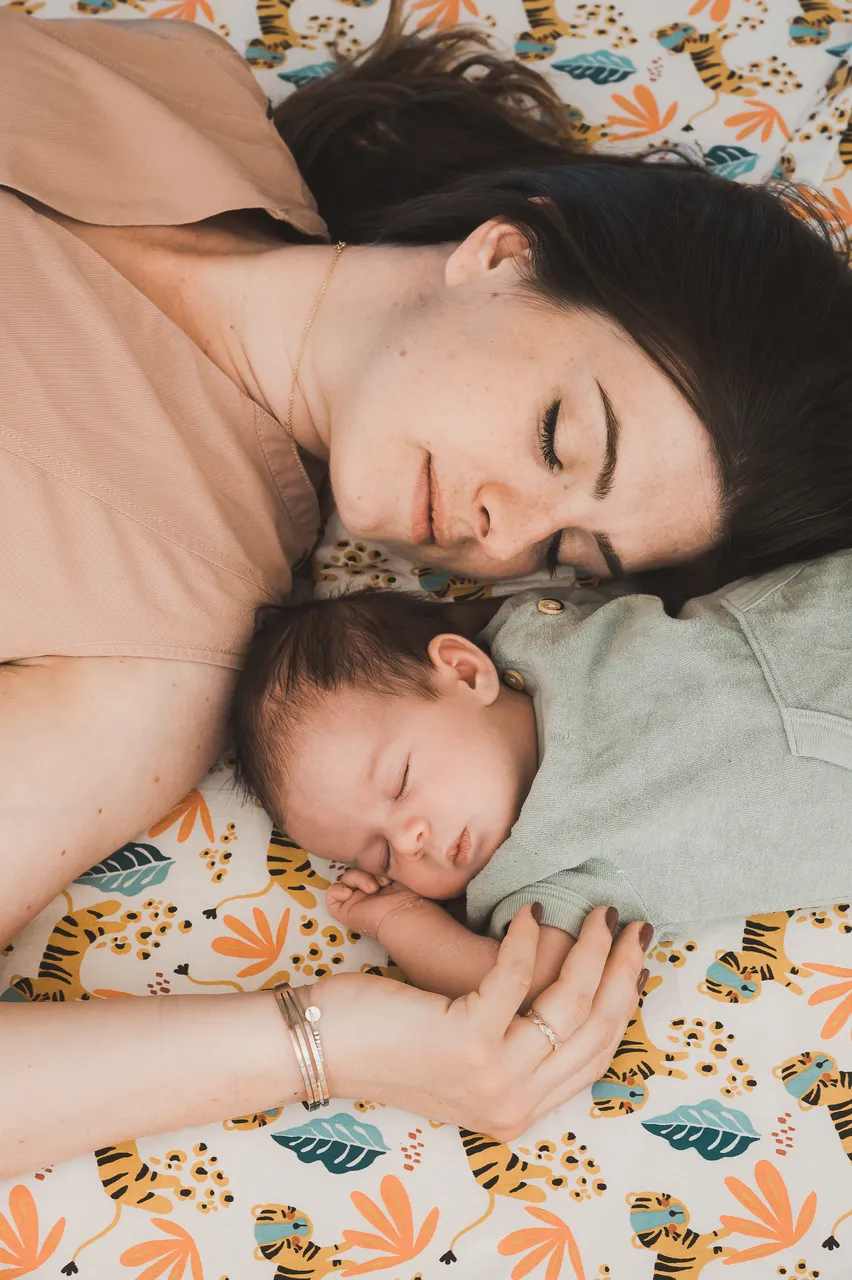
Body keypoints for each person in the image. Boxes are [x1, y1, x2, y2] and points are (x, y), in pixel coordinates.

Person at [2, 3, 852, 1174]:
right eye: (561, 437)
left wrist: (326, 1037)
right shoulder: (180, 90)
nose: (507, 533)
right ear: (511, 251)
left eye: (575, 557)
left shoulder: (150, 655)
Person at [229, 558, 852, 1002]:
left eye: (399, 782)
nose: (409, 838)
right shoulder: (537, 875)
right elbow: (516, 982)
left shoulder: (532, 633)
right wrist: (398, 919)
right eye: (380, 854)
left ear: (466, 673)